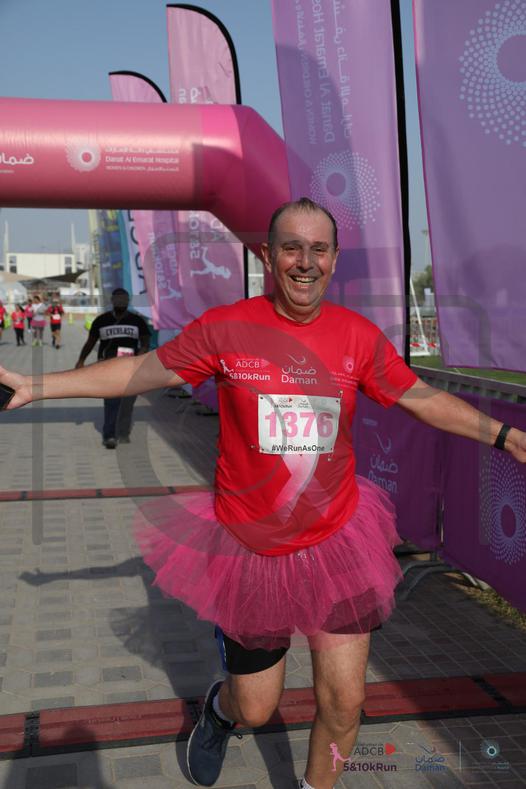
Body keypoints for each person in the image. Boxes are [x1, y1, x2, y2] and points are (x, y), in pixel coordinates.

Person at [1, 199, 525, 789]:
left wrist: (507, 436)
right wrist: (36, 385)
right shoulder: (227, 328)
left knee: (345, 702)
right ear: (269, 257)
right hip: (250, 547)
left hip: (338, 539)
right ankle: (219, 712)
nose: (306, 261)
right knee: (255, 706)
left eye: (319, 249)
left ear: (334, 259)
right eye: (291, 248)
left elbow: (420, 396)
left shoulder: (357, 336)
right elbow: (139, 371)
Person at [75, 288, 150, 448]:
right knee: (111, 402)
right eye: (118, 299)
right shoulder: (102, 320)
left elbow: (145, 342)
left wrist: (140, 356)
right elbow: (90, 342)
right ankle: (109, 435)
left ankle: (123, 433)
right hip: (108, 368)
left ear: (128, 301)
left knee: (127, 402)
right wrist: (81, 360)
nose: (121, 301)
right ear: (112, 301)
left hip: (130, 368)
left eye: (124, 299)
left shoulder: (137, 321)